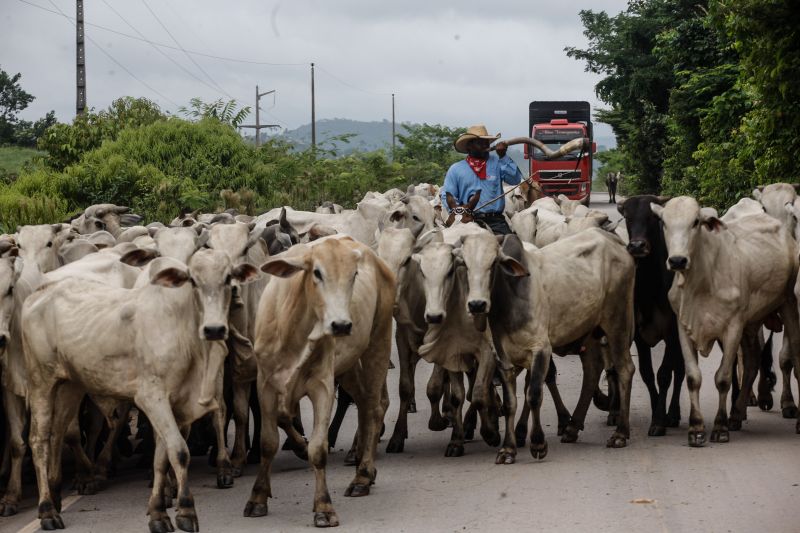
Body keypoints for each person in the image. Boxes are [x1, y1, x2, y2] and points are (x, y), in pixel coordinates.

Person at [440, 124, 523, 235]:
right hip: (465, 221)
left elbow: (515, 180)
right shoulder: (456, 169)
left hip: (495, 222)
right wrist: (460, 212)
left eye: (487, 142)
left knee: (512, 248)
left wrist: (503, 157)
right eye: (480, 142)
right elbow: (447, 195)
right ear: (469, 146)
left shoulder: (498, 162)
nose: (485, 145)